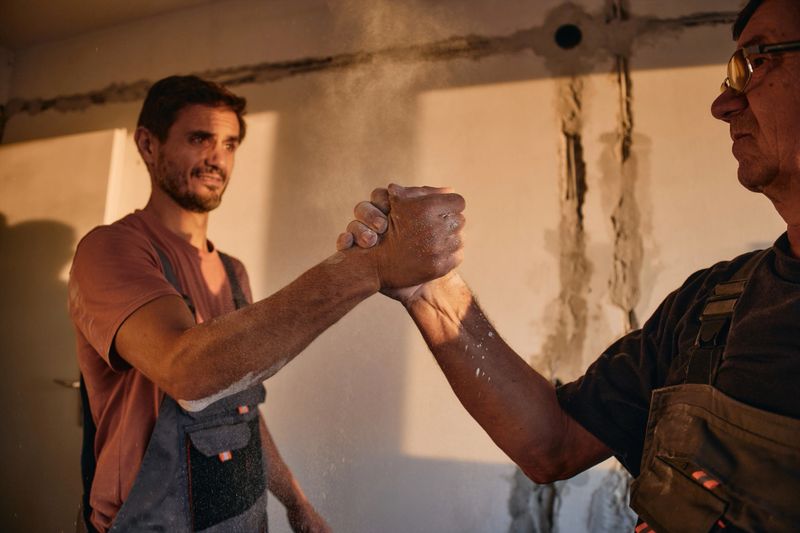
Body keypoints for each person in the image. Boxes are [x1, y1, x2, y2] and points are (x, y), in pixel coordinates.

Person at [339, 0, 800, 530]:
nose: (724, 102)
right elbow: (553, 443)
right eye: (731, 72)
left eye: (757, 61)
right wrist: (430, 285)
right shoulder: (714, 304)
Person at [68, 75, 466, 532]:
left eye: (230, 143)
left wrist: (295, 502)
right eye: (199, 138)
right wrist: (363, 269)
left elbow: (241, 404)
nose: (217, 157)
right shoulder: (112, 249)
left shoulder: (234, 272)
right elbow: (189, 373)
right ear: (148, 144)